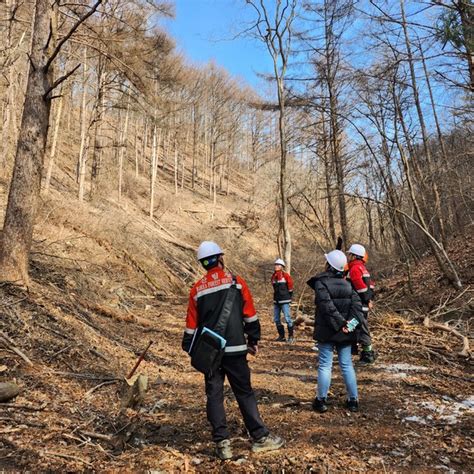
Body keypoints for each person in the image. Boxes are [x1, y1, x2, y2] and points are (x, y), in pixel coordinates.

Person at [182, 241, 284, 460]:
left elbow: (191, 326)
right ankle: (260, 437)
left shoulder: (197, 290)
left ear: (203, 263)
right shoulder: (237, 283)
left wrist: (192, 350)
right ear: (220, 258)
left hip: (210, 353)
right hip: (236, 349)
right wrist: (254, 338)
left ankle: (222, 444)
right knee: (244, 392)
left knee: (214, 395)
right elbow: (250, 315)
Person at [307, 250, 363, 413]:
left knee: (325, 365)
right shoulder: (349, 285)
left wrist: (341, 324)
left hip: (327, 332)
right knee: (346, 365)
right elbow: (357, 310)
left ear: (329, 266)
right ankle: (353, 400)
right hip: (344, 332)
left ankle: (321, 400)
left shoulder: (321, 283)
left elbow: (326, 307)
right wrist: (348, 326)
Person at [346, 244, 376, 365]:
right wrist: (369, 299)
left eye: (350, 254)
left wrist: (366, 299)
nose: (348, 256)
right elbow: (371, 285)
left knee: (359, 328)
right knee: (355, 327)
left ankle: (367, 355)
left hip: (357, 306)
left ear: (355, 256)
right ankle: (353, 350)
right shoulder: (362, 268)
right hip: (362, 304)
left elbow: (361, 288)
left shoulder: (354, 269)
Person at [271, 258, 295, 343]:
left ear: (282, 267)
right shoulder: (273, 276)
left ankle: (291, 336)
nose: (276, 266)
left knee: (287, 318)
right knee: (276, 319)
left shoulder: (286, 275)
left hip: (285, 301)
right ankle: (281, 336)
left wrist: (289, 298)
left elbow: (290, 287)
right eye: (275, 265)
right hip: (276, 301)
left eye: (278, 265)